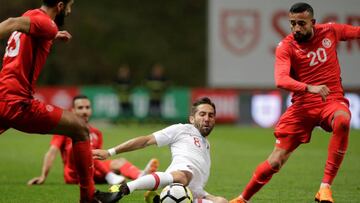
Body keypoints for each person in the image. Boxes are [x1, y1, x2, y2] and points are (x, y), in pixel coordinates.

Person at [230, 2, 360, 203]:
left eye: (301, 23)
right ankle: (242, 199)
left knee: (343, 120)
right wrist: (310, 87)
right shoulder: (286, 46)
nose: (296, 28)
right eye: (292, 24)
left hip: (330, 100)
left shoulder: (330, 31)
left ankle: (325, 188)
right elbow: (281, 80)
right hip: (302, 107)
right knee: (275, 161)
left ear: (313, 23)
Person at [0, 0, 123, 202]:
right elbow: (12, 22)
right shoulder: (46, 22)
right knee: (81, 129)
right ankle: (88, 196)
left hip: (2, 97)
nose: (69, 10)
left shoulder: (33, 15)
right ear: (60, 5)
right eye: (69, 5)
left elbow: (28, 30)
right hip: (18, 102)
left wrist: (53, 35)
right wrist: (52, 31)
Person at [93, 97, 228, 203]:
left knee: (222, 201)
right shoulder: (182, 129)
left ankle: (160, 200)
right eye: (202, 114)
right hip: (178, 179)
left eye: (211, 115)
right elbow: (145, 140)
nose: (207, 119)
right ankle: (124, 189)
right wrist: (110, 152)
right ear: (192, 119)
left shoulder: (206, 144)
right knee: (183, 176)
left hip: (193, 192)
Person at [27, 95, 159, 186]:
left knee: (119, 161)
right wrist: (43, 176)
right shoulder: (64, 130)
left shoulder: (96, 133)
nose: (85, 111)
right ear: (72, 111)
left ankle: (141, 176)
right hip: (74, 176)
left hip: (92, 172)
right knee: (79, 147)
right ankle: (110, 176)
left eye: (87, 107)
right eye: (80, 108)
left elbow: (97, 160)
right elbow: (52, 152)